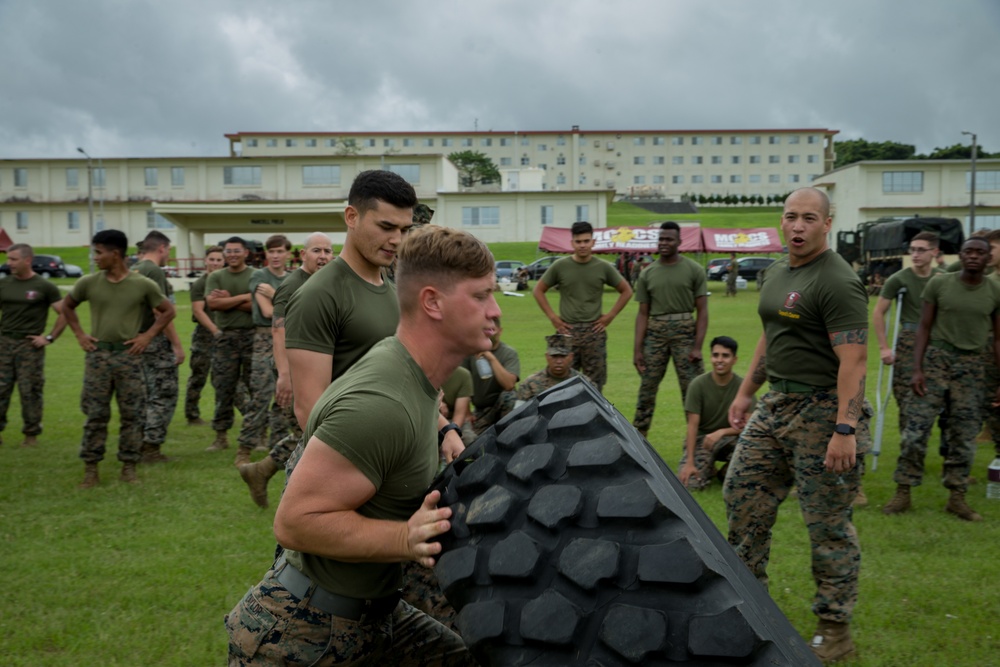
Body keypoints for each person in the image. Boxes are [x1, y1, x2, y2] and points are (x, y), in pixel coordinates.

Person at [226, 225, 490, 665]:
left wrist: (445, 430)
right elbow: (295, 522)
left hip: (377, 616)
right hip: (302, 636)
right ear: (432, 302)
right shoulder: (380, 405)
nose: (495, 310)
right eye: (480, 296)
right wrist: (406, 538)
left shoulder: (415, 378)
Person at [724, 188, 869, 663]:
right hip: (775, 405)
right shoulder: (777, 271)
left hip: (824, 410)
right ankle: (749, 609)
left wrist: (844, 429)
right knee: (741, 496)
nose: (798, 226)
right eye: (791, 217)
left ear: (827, 223)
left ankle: (835, 628)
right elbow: (772, 334)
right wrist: (747, 390)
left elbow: (855, 360)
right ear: (781, 222)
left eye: (809, 218)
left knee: (826, 524)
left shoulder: (838, 280)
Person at [883, 237, 1000, 522]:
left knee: (964, 434)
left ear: (987, 259)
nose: (973, 256)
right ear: (959, 256)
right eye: (968, 251)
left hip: (972, 366)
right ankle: (903, 490)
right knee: (916, 429)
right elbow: (923, 327)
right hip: (937, 360)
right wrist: (916, 368)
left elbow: (998, 337)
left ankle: (956, 497)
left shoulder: (995, 290)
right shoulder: (940, 283)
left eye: (979, 253)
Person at [62, 230, 176, 488]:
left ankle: (129, 466)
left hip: (129, 358)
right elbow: (67, 305)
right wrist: (80, 334)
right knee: (95, 414)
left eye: (99, 252)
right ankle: (91, 468)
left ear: (116, 254)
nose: (96, 258)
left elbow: (167, 311)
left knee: (132, 415)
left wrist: (147, 336)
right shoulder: (89, 283)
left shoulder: (142, 284)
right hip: (98, 357)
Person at [237, 232, 333, 507]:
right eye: (316, 251)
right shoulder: (293, 285)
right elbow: (278, 331)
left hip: (315, 367)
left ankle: (261, 471)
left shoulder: (322, 282)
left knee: (311, 432)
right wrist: (285, 376)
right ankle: (295, 497)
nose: (323, 256)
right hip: (294, 370)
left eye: (327, 251)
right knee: (312, 434)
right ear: (302, 255)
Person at [533, 220, 632, 393]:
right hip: (567, 333)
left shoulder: (602, 267)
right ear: (572, 243)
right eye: (578, 241)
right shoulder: (560, 266)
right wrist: (554, 319)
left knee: (595, 385)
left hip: (594, 332)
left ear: (593, 242)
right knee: (562, 384)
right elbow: (538, 290)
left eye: (586, 241)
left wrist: (610, 316)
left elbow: (626, 291)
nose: (583, 245)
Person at [632, 221, 709, 436]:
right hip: (655, 334)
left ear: (679, 242)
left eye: (669, 239)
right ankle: (639, 441)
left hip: (685, 332)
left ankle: (700, 443)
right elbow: (642, 313)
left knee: (692, 390)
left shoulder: (694, 270)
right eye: (661, 239)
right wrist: (637, 350)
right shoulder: (648, 273)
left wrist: (697, 346)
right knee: (647, 389)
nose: (664, 243)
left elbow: (702, 311)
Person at [872, 232, 940, 445]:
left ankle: (934, 441)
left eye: (921, 250)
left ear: (934, 252)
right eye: (913, 250)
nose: (915, 254)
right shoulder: (899, 279)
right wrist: (884, 348)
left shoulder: (943, 278)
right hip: (909, 339)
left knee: (937, 393)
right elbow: (878, 312)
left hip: (937, 340)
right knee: (905, 393)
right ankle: (909, 442)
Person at [0, 243, 65, 448]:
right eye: (8, 259)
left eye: (13, 259)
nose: (8, 263)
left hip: (29, 347)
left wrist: (49, 338)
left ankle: (31, 436)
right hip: (4, 344)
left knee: (30, 391)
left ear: (27, 260)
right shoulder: (4, 284)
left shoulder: (44, 286)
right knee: (0, 390)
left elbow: (65, 313)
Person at [235, 234, 291, 458]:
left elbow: (301, 307)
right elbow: (268, 312)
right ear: (266, 254)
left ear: (288, 253)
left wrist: (275, 294)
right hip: (264, 340)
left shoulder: (293, 278)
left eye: (280, 251)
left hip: (288, 339)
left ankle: (276, 448)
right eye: (271, 252)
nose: (275, 256)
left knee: (284, 398)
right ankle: (244, 449)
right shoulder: (260, 276)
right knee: (260, 395)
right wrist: (284, 300)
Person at [132, 231, 185, 463]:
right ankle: (150, 447)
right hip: (153, 341)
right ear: (162, 248)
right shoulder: (153, 271)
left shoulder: (136, 268)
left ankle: (136, 442)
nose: (168, 255)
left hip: (136, 339)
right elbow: (161, 312)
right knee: (163, 393)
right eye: (169, 250)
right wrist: (176, 345)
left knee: (144, 394)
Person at [678, 336, 752, 491]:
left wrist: (722, 432)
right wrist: (690, 462)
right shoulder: (697, 385)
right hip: (702, 440)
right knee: (691, 485)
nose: (720, 360)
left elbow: (749, 426)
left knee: (748, 473)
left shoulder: (743, 387)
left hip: (730, 440)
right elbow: (692, 426)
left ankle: (724, 473)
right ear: (710, 357)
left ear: (734, 359)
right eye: (715, 355)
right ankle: (706, 466)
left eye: (725, 356)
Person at [206, 236, 256, 463]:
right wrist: (246, 298)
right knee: (223, 387)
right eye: (228, 251)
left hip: (252, 337)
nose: (232, 254)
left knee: (256, 388)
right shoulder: (216, 276)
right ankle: (220, 436)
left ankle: (258, 434)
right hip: (225, 339)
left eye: (237, 250)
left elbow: (260, 306)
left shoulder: (256, 275)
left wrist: (231, 299)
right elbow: (213, 304)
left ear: (246, 252)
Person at [460, 317, 520, 444]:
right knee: (473, 443)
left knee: (509, 396)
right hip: (481, 411)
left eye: (492, 329)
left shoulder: (509, 353)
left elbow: (509, 385)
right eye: (486, 330)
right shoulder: (471, 352)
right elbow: (462, 383)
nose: (489, 333)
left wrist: (491, 358)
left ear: (500, 331)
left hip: (501, 407)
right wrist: (467, 413)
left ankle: (508, 432)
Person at [184, 246, 225, 426]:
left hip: (224, 334)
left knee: (224, 377)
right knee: (198, 376)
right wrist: (215, 330)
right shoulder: (201, 284)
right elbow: (198, 311)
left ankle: (227, 414)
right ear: (205, 261)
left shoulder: (224, 281)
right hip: (204, 336)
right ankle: (192, 414)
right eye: (212, 259)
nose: (215, 263)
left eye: (218, 260)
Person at [515, 333, 589, 402]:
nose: (559, 361)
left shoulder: (584, 383)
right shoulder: (530, 383)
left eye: (563, 356)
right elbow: (519, 412)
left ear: (571, 357)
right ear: (547, 356)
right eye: (554, 356)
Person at [439, 366, 473, 431]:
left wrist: (451, 433)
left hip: (452, 419)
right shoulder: (422, 372)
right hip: (429, 419)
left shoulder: (463, 375)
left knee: (469, 437)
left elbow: (459, 415)